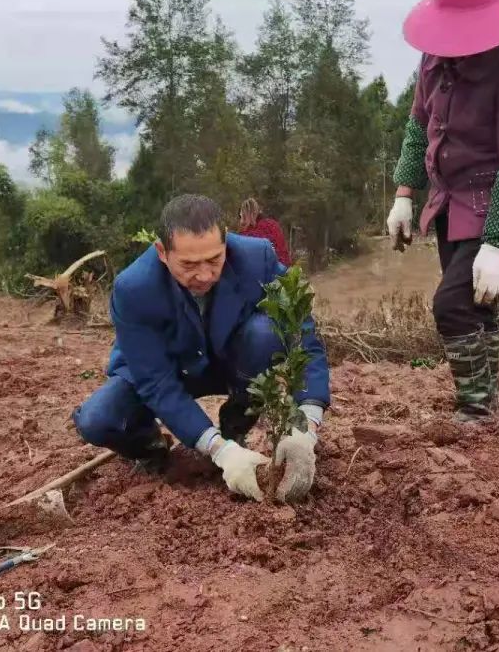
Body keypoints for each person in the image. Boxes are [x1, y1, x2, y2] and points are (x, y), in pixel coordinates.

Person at [73, 194, 330, 502]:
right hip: (167, 369)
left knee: (266, 333)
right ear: (162, 253)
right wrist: (219, 450)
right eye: (189, 264)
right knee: (98, 420)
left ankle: (236, 425)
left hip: (231, 362)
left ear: (226, 243)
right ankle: (151, 446)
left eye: (214, 260)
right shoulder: (134, 289)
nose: (205, 275)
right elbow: (155, 381)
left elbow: (301, 334)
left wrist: (307, 423)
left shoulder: (257, 258)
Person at [386, 0, 499, 422]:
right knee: (478, 304)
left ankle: (475, 411)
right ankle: (489, 401)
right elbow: (419, 125)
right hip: (449, 202)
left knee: (452, 304)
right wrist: (404, 194)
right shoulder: (434, 58)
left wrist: (497, 246)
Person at [237, 198, 291, 266]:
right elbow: (282, 251)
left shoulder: (245, 235)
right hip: (281, 269)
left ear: (244, 216)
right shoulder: (273, 224)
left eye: (241, 216)